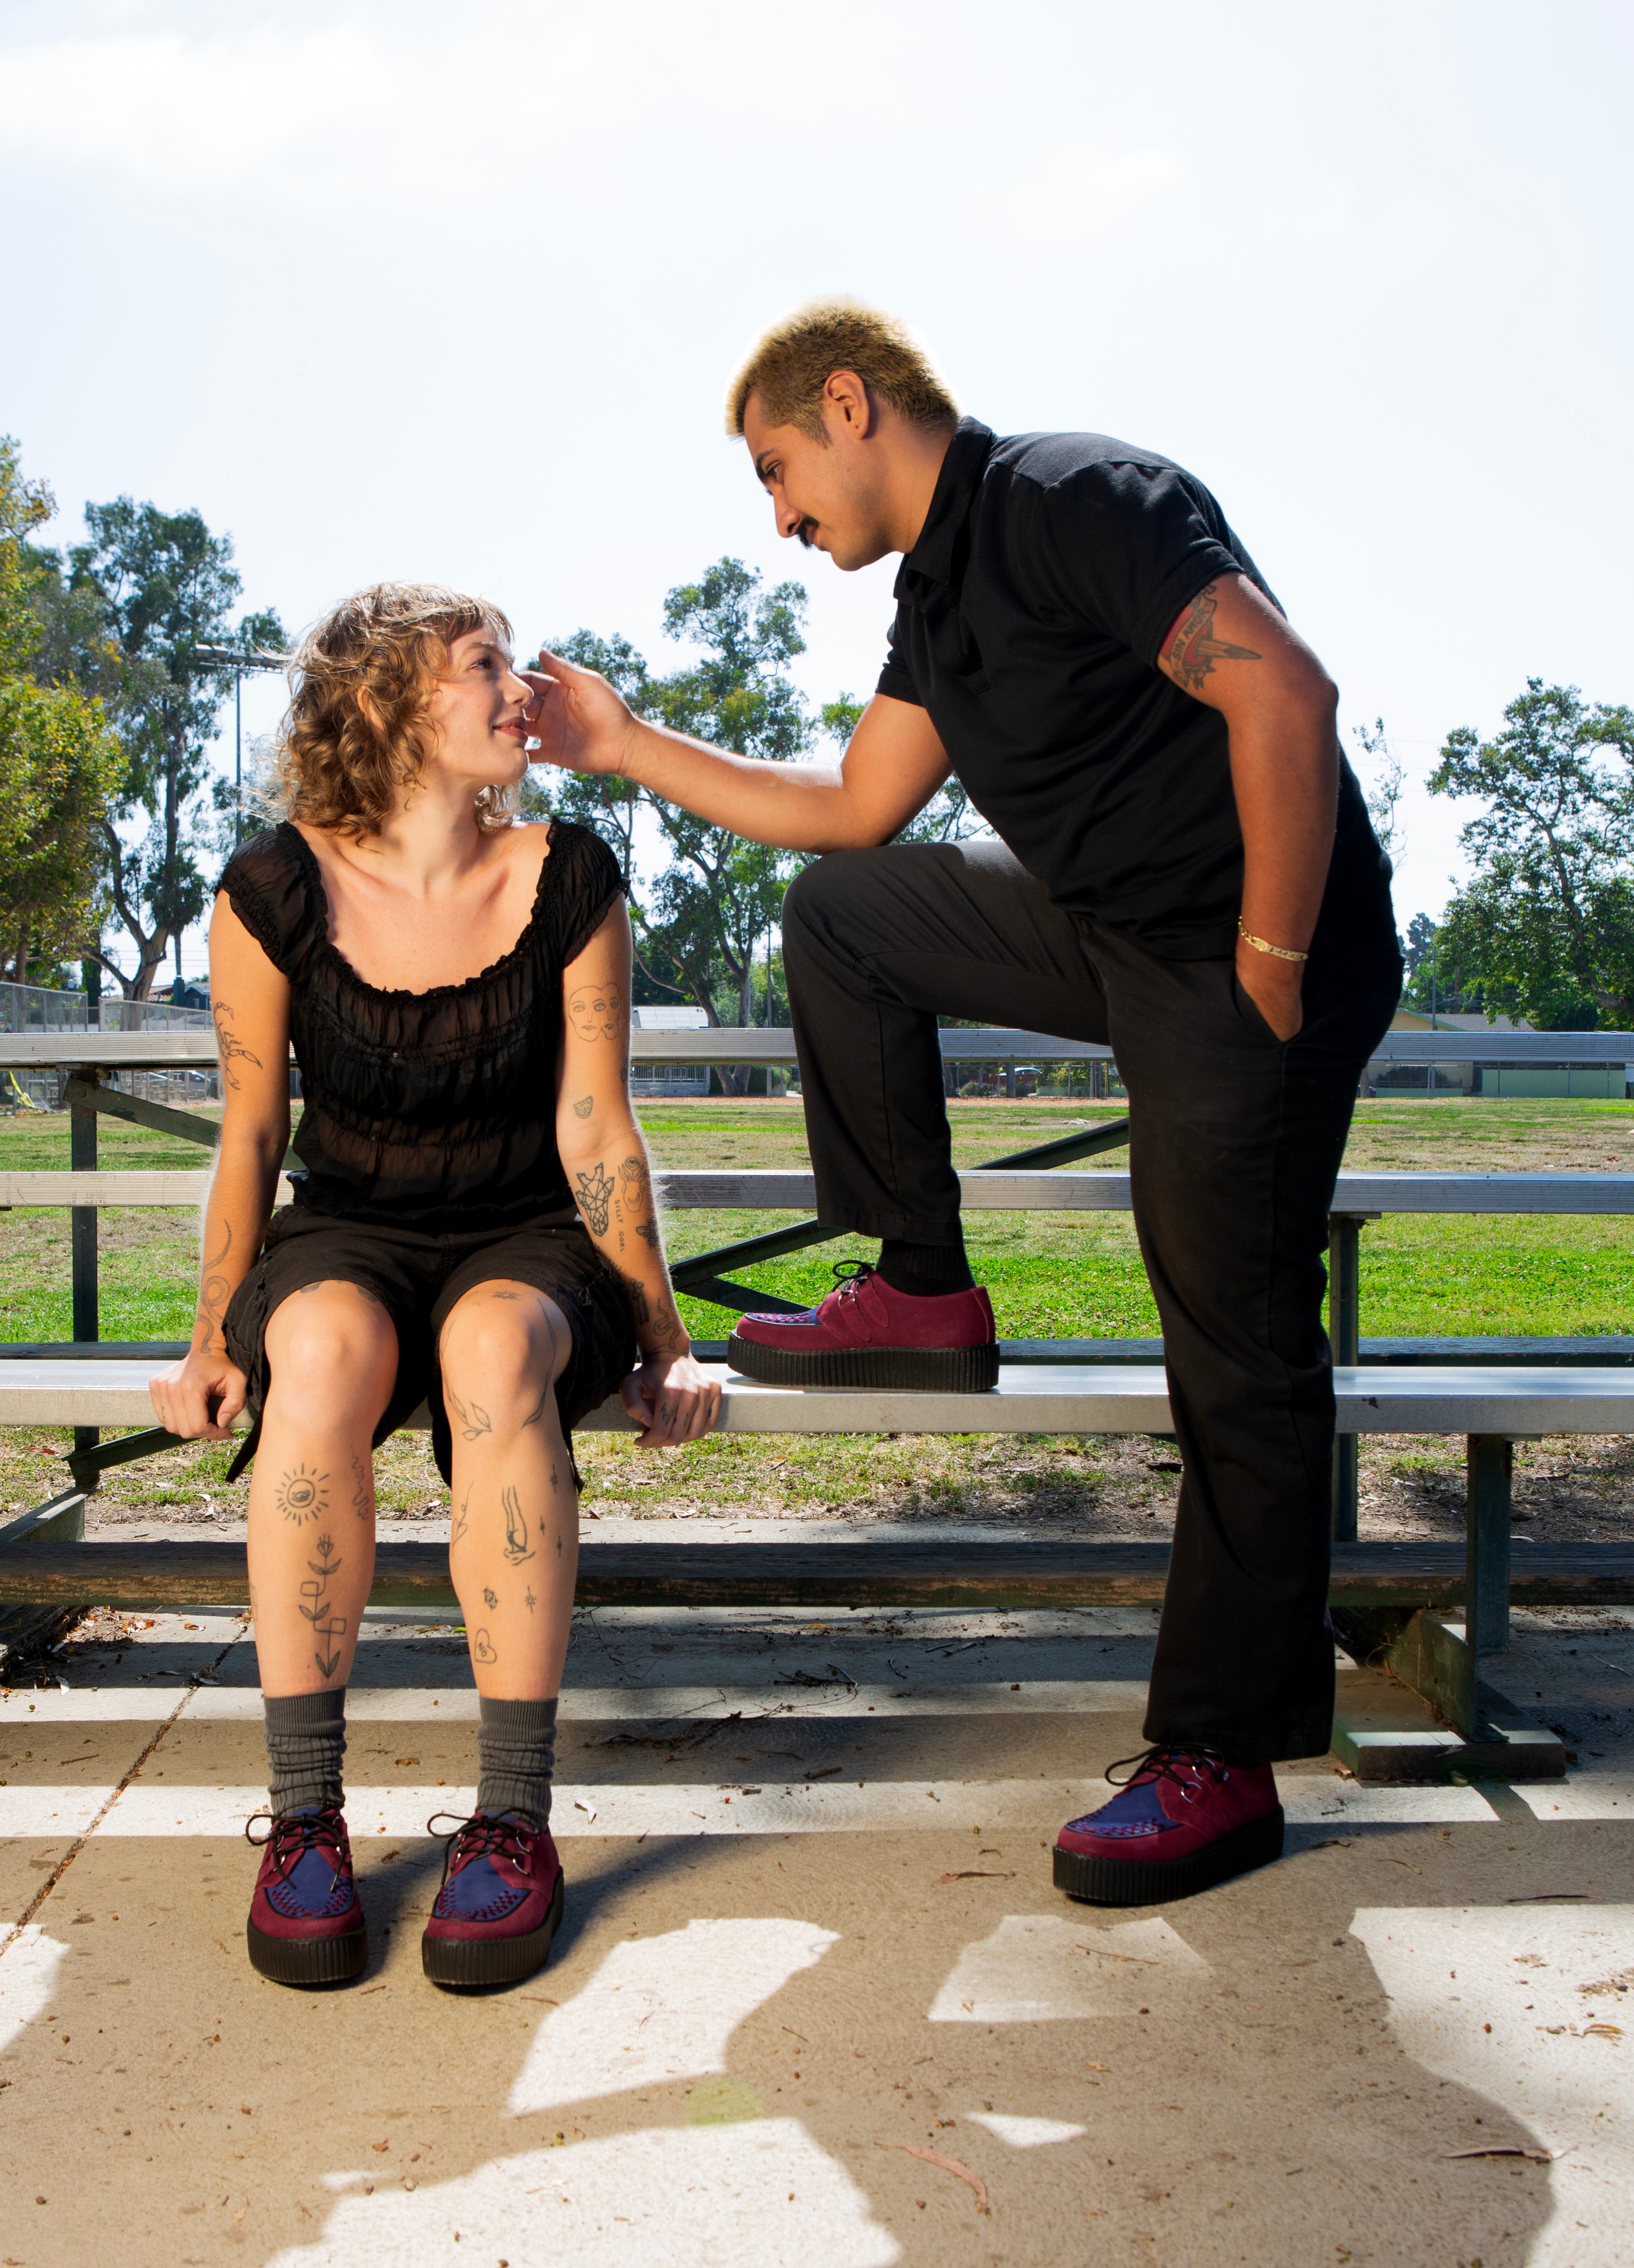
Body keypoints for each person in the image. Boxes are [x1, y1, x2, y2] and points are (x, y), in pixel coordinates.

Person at [526, 299, 1401, 1908]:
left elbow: (1288, 696)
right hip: (1118, 931)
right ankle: (925, 1286)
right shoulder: (937, 603)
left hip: (1259, 948)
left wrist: (1270, 963)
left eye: (780, 467)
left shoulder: (1079, 497)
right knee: (848, 913)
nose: (779, 514)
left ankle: (1226, 1757)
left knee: (1236, 1335)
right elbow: (852, 806)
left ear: (850, 405)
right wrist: (625, 744)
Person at [152, 583, 718, 1989]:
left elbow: (596, 1127)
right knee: (328, 1351)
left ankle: (512, 1826)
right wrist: (212, 1335)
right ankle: (304, 1827)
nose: (520, 689)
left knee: (490, 1352)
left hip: (525, 1239)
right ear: (390, 705)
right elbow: (250, 1133)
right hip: (348, 1231)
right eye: (485, 667)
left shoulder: (570, 876)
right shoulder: (272, 888)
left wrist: (663, 1337)